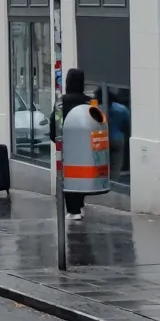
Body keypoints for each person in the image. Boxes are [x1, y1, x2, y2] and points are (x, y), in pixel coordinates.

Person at [55, 71, 110, 218]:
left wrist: (58, 140)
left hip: (68, 145)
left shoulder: (61, 102)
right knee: (82, 174)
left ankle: (73, 210)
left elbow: (55, 124)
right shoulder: (89, 102)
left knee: (68, 177)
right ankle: (79, 205)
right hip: (87, 145)